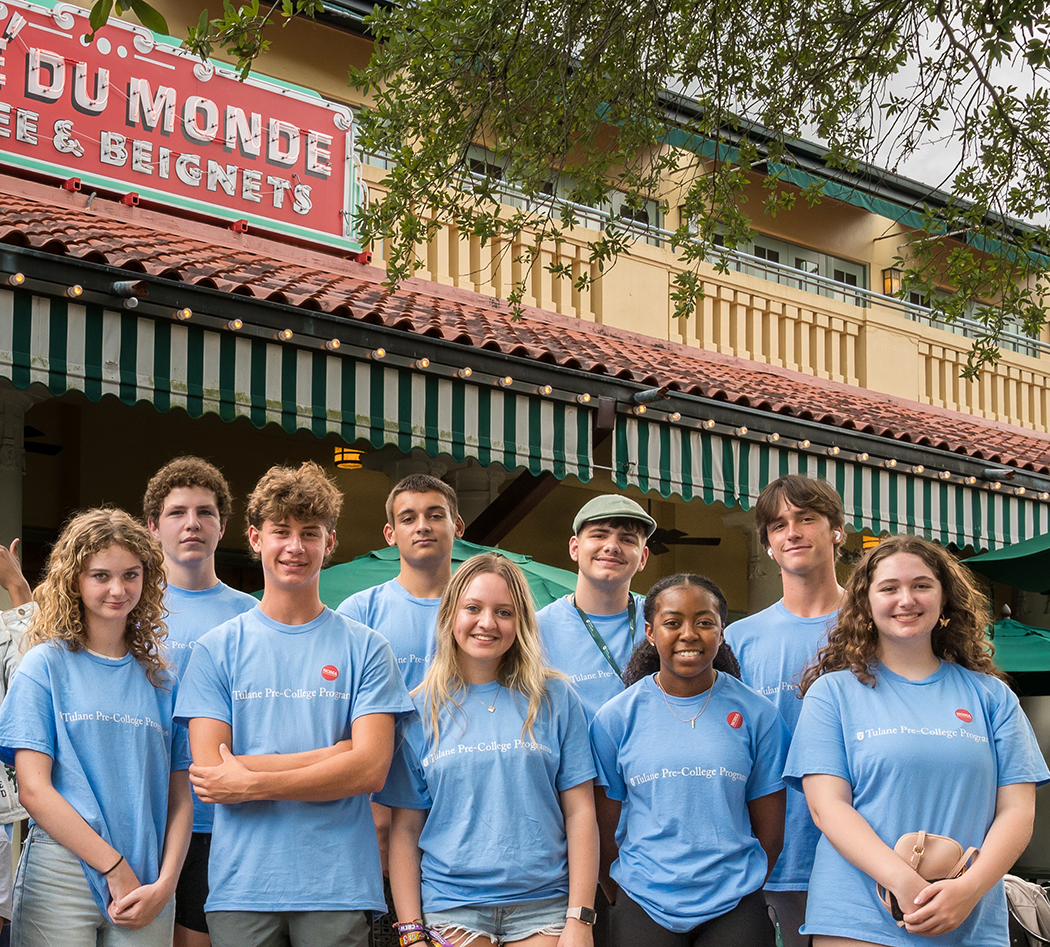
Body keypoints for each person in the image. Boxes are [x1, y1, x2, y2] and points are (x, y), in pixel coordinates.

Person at [175, 461, 414, 947]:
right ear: (255, 538)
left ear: (329, 543)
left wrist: (252, 780)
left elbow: (370, 770)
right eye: (280, 531)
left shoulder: (367, 647)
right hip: (242, 887)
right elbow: (211, 778)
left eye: (310, 533)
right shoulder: (216, 648)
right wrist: (333, 754)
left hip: (337, 885)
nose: (294, 547)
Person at [785, 535, 1050, 947]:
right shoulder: (832, 693)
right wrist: (905, 884)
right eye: (889, 588)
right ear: (866, 605)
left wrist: (969, 889)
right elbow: (827, 808)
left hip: (970, 919)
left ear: (944, 599)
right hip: (857, 920)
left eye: (922, 585)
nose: (906, 599)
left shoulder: (992, 696)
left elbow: (1018, 813)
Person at [378, 553, 599, 947]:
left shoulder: (555, 698)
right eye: (473, 608)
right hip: (451, 907)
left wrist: (580, 918)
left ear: (521, 622)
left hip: (545, 905)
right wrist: (411, 932)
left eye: (504, 612)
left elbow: (580, 811)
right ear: (450, 615)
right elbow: (406, 831)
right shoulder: (417, 711)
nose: (487, 623)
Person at [0, 508, 193, 946]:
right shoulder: (43, 666)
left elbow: (181, 796)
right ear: (75, 580)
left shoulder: (163, 680)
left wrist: (166, 883)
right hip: (60, 874)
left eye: (131, 574)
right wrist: (112, 867)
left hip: (148, 878)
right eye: (100, 575)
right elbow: (34, 789)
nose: (117, 589)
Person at [590, 573, 788, 947]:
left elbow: (772, 835)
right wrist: (622, 895)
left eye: (704, 622)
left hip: (734, 903)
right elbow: (602, 832)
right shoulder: (616, 717)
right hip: (643, 901)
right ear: (650, 632)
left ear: (722, 630)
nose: (689, 634)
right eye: (672, 622)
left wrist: (741, 886)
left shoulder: (758, 715)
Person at [725, 474, 846, 946]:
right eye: (778, 525)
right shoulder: (739, 639)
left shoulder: (873, 626)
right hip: (771, 848)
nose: (792, 532)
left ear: (836, 530)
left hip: (861, 847)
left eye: (806, 518)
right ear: (769, 546)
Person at [144, 456, 258, 947]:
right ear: (153, 527)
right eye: (177, 512)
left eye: (205, 512)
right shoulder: (128, 608)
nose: (192, 523)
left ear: (223, 526)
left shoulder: (253, 613)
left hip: (222, 818)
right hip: (141, 812)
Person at [337, 474, 464, 692]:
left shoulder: (483, 612)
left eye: (435, 516)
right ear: (390, 534)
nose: (422, 526)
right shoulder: (359, 613)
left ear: (458, 526)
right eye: (408, 519)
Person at [537, 495, 655, 724]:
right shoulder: (535, 629)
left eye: (628, 540)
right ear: (574, 548)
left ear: (643, 558)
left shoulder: (662, 622)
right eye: (599, 535)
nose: (612, 547)